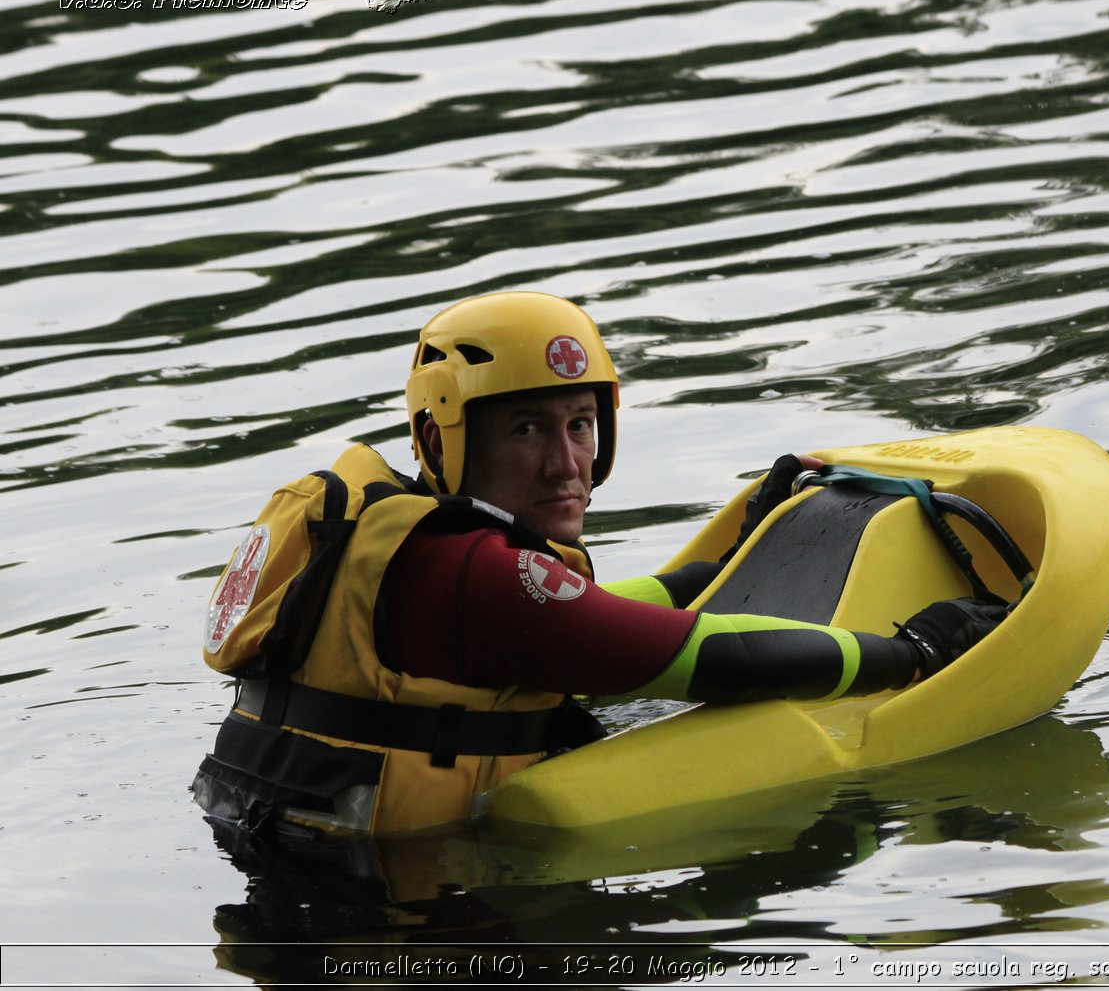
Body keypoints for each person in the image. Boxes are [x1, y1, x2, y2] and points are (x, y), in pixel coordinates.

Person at [192, 291, 1006, 836]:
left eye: (581, 423)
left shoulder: (403, 537)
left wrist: (734, 552)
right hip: (380, 908)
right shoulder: (477, 578)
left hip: (265, 842)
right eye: (525, 431)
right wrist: (914, 651)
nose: (566, 463)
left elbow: (591, 620)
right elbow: (715, 657)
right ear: (442, 437)